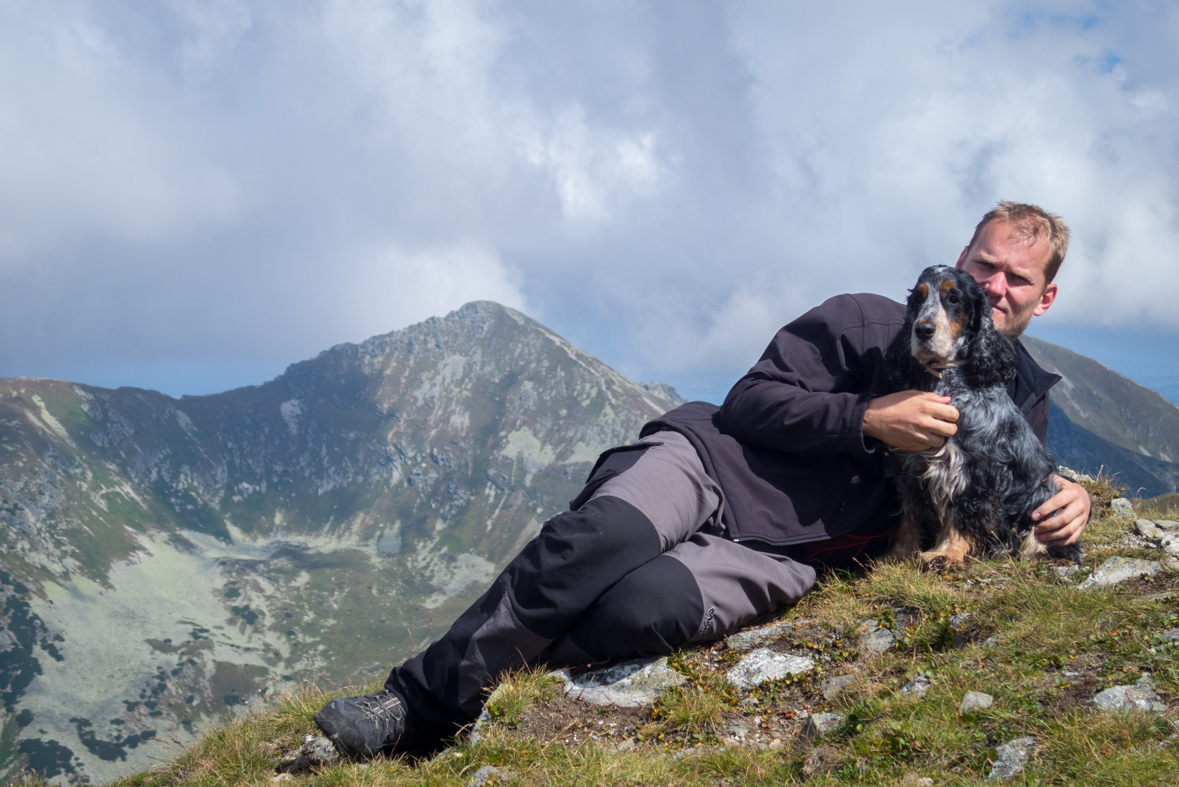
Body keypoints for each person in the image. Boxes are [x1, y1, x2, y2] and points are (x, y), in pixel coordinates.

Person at [313, 201, 1091, 757]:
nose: (993, 286)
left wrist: (1074, 501)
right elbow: (751, 400)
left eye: (1015, 279)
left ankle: (496, 686)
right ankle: (413, 703)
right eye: (982, 265)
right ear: (956, 263)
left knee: (642, 604)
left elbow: (1020, 486)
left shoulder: (1020, 395)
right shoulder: (858, 318)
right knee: (603, 538)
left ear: (1042, 298)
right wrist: (862, 417)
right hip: (715, 462)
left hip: (794, 554)